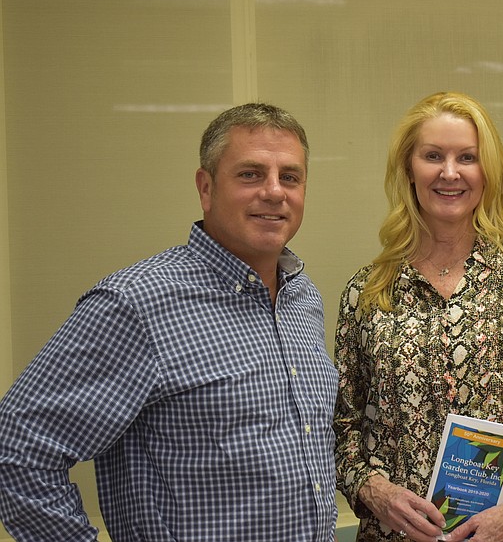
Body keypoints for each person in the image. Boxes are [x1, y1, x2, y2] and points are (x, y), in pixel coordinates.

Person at [0, 103, 339, 541]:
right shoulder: (136, 303)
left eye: (290, 177)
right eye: (250, 174)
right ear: (206, 188)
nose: (274, 192)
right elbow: (17, 449)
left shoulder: (301, 296)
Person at [333, 91, 503, 542]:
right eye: (433, 156)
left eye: (467, 157)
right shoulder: (368, 292)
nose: (450, 172)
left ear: (487, 171)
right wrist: (377, 492)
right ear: (409, 169)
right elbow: (341, 429)